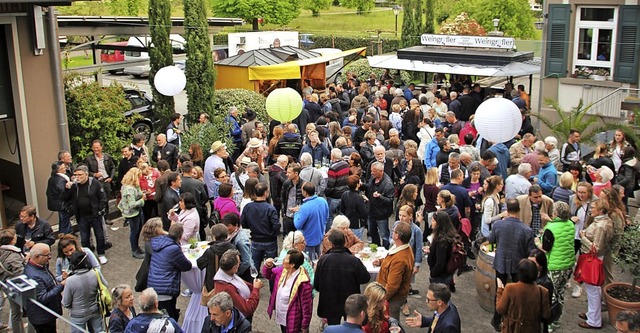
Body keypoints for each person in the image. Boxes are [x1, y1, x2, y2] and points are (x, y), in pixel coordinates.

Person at [489, 199, 536, 331]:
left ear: (507, 210)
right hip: (518, 265)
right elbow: (530, 250)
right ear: (519, 210)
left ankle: (497, 319)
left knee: (499, 289)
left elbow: (491, 239)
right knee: (518, 292)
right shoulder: (527, 230)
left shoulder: (498, 225)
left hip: (501, 262)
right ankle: (515, 316)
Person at [314, 229, 370, 325]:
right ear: (345, 242)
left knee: (333, 327)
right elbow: (365, 278)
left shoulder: (323, 260)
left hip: (330, 302)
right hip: (350, 302)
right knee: (351, 326)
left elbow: (317, 285)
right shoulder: (353, 261)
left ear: (331, 243)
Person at [535, 201, 575, 326]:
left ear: (556, 214)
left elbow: (546, 248)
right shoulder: (570, 224)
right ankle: (557, 318)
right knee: (561, 292)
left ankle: (550, 322)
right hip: (568, 264)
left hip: (555, 265)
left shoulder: (550, 228)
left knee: (551, 295)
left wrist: (537, 242)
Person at [578, 198, 614, 329]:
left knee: (593, 290)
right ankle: (591, 314)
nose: (590, 210)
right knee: (593, 289)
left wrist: (583, 237)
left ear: (600, 210)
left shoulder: (600, 225)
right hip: (596, 258)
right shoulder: (606, 221)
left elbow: (596, 248)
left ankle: (594, 320)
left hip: (593, 259)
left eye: (593, 208)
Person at [148, 224, 193, 321]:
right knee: (168, 320)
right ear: (180, 237)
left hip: (154, 286)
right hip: (165, 289)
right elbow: (186, 266)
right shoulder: (173, 248)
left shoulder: (159, 243)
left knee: (160, 317)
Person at [65, 165, 108, 264]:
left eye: (80, 175)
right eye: (75, 175)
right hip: (82, 216)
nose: (77, 177)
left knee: (99, 236)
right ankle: (87, 256)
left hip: (95, 215)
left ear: (86, 175)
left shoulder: (94, 183)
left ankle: (101, 254)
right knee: (84, 238)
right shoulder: (74, 186)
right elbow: (65, 198)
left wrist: (99, 210)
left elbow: (103, 197)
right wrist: (68, 188)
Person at [263, 250, 313, 333]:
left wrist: (304, 326)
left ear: (292, 265)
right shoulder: (282, 270)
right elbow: (268, 275)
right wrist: (268, 266)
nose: (283, 259)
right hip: (281, 315)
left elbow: (307, 308)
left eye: (286, 258)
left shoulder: (303, 283)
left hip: (293, 320)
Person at [496, 259, 551, 333]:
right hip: (532, 329)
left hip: (511, 329)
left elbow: (500, 309)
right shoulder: (543, 291)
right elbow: (546, 314)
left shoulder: (510, 288)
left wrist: (500, 290)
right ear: (536, 273)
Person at [373, 222, 414, 321]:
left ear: (397, 236)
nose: (392, 232)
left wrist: (380, 300)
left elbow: (392, 286)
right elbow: (391, 260)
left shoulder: (399, 260)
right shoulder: (403, 247)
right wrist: (381, 261)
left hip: (392, 300)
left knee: (391, 323)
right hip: (394, 297)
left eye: (393, 231)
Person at [62, 251, 107, 333]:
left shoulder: (70, 281)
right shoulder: (95, 273)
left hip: (77, 314)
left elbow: (66, 302)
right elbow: (105, 285)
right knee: (99, 331)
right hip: (95, 309)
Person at [24, 243, 64, 333]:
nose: (50, 257)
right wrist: (61, 285)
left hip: (46, 315)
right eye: (47, 255)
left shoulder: (40, 266)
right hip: (43, 317)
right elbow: (43, 298)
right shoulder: (34, 276)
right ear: (37, 256)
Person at [241, 182, 280, 270]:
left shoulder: (248, 207)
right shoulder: (270, 208)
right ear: (266, 193)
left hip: (255, 239)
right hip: (270, 240)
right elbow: (276, 225)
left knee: (254, 266)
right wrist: (273, 233)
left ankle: (254, 280)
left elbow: (243, 223)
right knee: (271, 267)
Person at [213, 249, 262, 319]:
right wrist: (256, 289)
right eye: (239, 263)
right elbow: (247, 309)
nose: (240, 264)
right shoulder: (227, 287)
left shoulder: (228, 274)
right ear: (234, 268)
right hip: (240, 321)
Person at [294, 182, 329, 258]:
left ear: (305, 193)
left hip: (308, 240)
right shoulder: (323, 201)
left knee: (309, 261)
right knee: (317, 258)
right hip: (319, 237)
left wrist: (297, 212)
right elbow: (327, 217)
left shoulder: (305, 207)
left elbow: (297, 225)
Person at [0, 229, 25, 333]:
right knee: (20, 312)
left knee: (15, 312)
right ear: (11, 240)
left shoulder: (2, 251)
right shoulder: (13, 255)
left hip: (5, 285)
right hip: (16, 286)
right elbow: (20, 273)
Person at [118, 167, 146, 259]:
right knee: (134, 232)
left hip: (137, 212)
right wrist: (142, 200)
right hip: (132, 213)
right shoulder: (128, 189)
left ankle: (137, 247)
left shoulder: (133, 186)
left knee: (137, 230)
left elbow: (138, 193)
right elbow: (132, 204)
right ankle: (134, 250)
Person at [84, 139, 116, 218]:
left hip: (106, 181)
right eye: (94, 148)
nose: (96, 149)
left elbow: (113, 167)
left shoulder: (107, 157)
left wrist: (111, 178)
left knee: (106, 200)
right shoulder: (89, 159)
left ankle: (106, 217)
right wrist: (94, 174)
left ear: (101, 147)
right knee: (96, 200)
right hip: (96, 182)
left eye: (97, 147)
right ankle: (97, 217)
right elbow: (86, 171)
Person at [366, 162, 395, 249]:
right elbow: (369, 187)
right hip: (371, 211)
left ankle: (385, 250)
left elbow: (390, 200)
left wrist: (380, 197)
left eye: (374, 171)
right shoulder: (373, 177)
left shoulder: (388, 184)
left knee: (384, 235)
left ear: (381, 171)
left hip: (381, 214)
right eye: (371, 171)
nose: (371, 173)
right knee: (372, 232)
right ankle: (376, 248)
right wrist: (362, 186)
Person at [221, 213, 253, 282]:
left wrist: (235, 273)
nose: (225, 228)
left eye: (228, 226)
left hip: (244, 274)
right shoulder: (231, 235)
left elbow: (247, 261)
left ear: (236, 225)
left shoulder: (241, 241)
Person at [529, 249, 554, 333]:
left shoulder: (546, 283)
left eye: (533, 263)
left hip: (537, 323)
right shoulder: (527, 276)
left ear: (541, 265)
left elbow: (545, 309)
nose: (529, 265)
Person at [46, 161, 73, 234]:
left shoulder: (54, 178)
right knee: (64, 222)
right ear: (59, 169)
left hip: (59, 204)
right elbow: (64, 194)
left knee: (64, 220)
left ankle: (69, 233)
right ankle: (65, 237)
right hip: (62, 204)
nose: (65, 168)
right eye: (64, 167)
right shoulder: (59, 180)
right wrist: (69, 188)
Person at [339, 175, 369, 240]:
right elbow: (364, 213)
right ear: (357, 185)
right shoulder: (359, 198)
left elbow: (342, 209)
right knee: (356, 244)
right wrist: (366, 202)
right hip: (357, 225)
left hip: (347, 223)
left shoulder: (345, 194)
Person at [281, 163, 304, 236]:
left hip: (299, 215)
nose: (287, 174)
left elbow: (306, 200)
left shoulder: (303, 184)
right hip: (287, 215)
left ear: (296, 173)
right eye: (287, 172)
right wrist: (283, 213)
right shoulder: (286, 183)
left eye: (289, 173)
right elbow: (283, 198)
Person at [479, 176, 505, 241]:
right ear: (497, 186)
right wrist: (501, 215)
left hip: (496, 229)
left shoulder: (497, 195)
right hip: (489, 233)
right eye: (501, 184)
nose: (503, 185)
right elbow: (487, 220)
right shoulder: (489, 201)